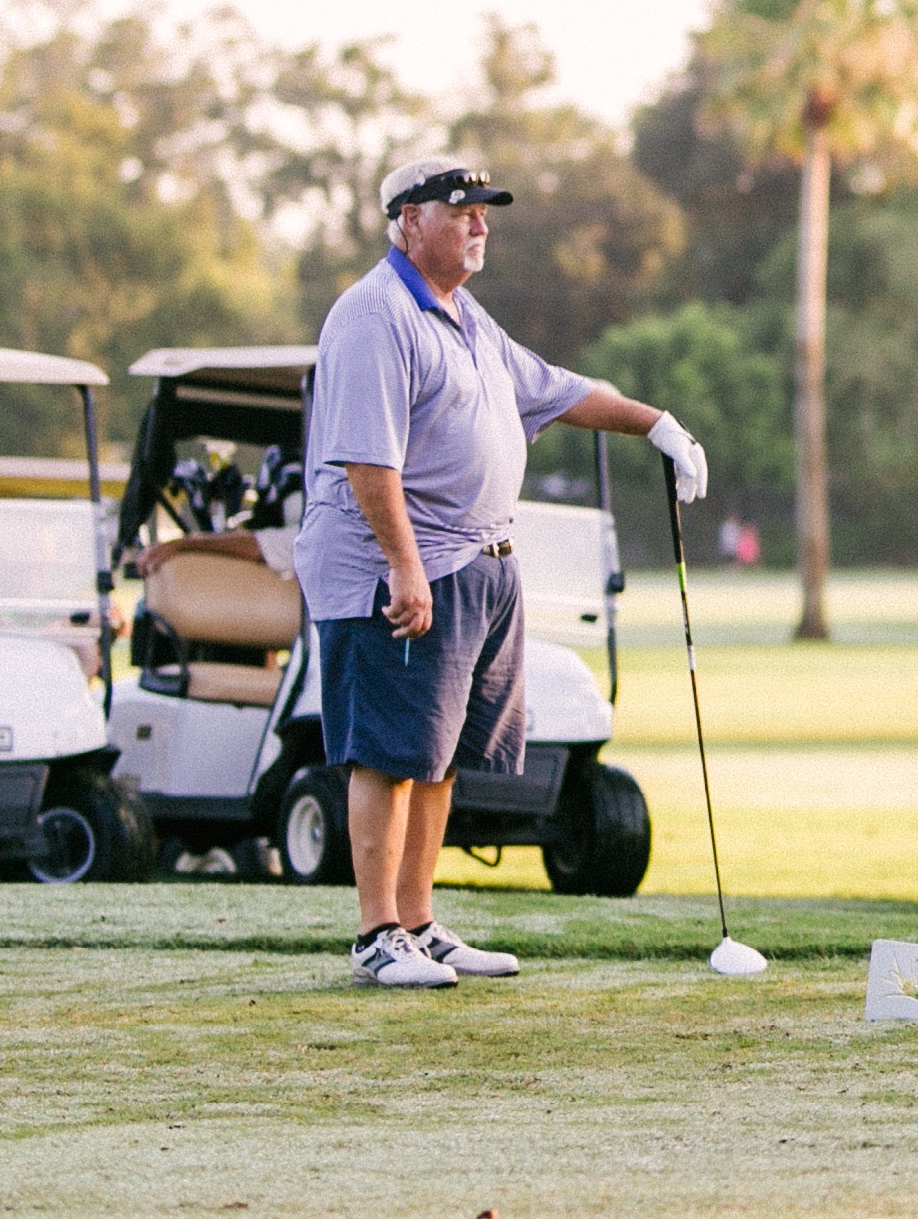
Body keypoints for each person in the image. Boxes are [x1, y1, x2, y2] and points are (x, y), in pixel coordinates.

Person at [300, 156, 710, 988]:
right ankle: (377, 932)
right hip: (396, 570)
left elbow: (557, 391)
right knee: (384, 753)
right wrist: (404, 569)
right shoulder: (374, 316)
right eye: (461, 209)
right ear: (409, 220)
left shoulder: (465, 316)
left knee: (438, 755)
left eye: (485, 212)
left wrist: (657, 424)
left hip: (477, 563)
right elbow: (367, 464)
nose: (479, 223)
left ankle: (418, 923)